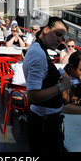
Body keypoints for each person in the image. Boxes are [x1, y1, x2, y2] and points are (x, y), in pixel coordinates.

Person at [22, 17, 71, 152]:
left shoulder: (38, 48)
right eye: (58, 34)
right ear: (46, 30)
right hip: (45, 122)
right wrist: (62, 86)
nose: (60, 40)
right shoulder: (38, 54)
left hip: (45, 119)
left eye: (62, 37)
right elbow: (33, 96)